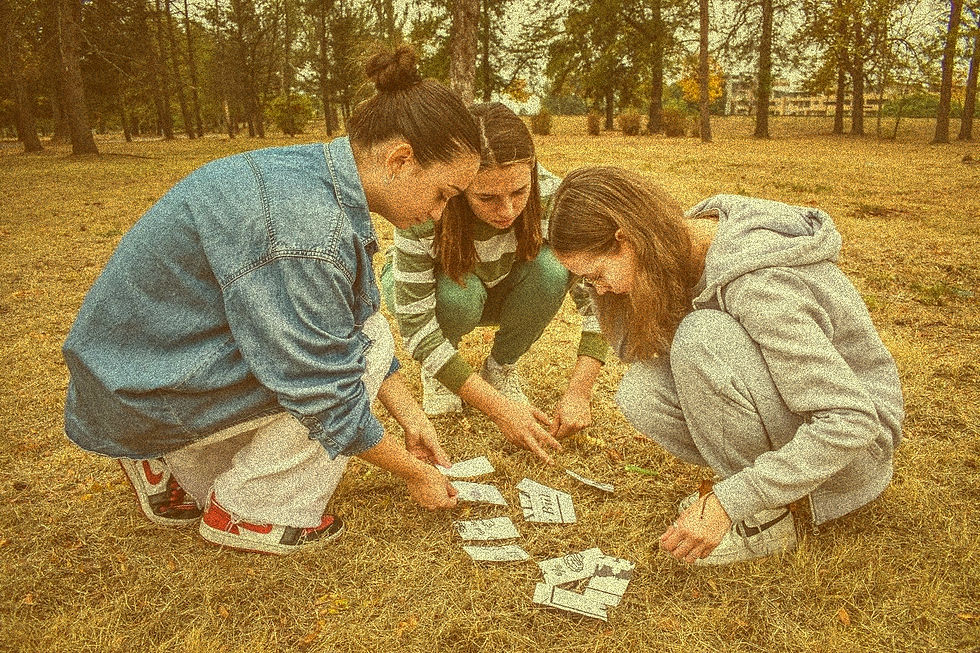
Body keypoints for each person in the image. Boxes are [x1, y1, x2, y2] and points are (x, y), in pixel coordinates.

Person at [61, 45, 482, 555]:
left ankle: (170, 461)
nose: (440, 215)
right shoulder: (307, 231)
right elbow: (321, 390)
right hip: (139, 390)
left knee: (363, 338)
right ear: (399, 160)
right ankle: (252, 511)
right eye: (443, 194)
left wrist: (413, 421)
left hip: (135, 373)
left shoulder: (314, 174)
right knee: (345, 362)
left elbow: (358, 319)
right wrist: (414, 472)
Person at [546, 166, 904, 565]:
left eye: (596, 276)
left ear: (626, 240)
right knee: (641, 392)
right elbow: (639, 349)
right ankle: (762, 493)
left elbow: (851, 420)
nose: (599, 289)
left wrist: (728, 502)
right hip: (804, 423)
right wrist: (618, 295)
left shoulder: (758, 283)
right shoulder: (677, 245)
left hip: (855, 456)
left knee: (702, 338)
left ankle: (763, 515)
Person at [380, 102, 609, 465]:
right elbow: (416, 325)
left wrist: (579, 391)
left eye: (519, 192)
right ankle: (439, 371)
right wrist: (499, 409)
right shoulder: (427, 203)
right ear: (460, 182)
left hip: (502, 284)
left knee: (552, 270)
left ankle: (500, 367)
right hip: (444, 294)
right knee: (460, 296)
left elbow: (598, 294)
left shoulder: (554, 196)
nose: (506, 210)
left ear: (532, 171)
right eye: (486, 197)